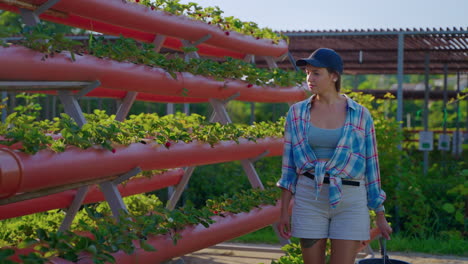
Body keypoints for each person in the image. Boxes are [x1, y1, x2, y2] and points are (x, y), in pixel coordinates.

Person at [277, 48, 392, 264]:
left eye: (316, 72)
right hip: (309, 196)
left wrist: (380, 214)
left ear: (334, 76)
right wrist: (284, 211)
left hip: (350, 199)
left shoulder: (360, 115)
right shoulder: (297, 113)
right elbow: (289, 167)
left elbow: (371, 167)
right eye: (307, 72)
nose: (309, 78)